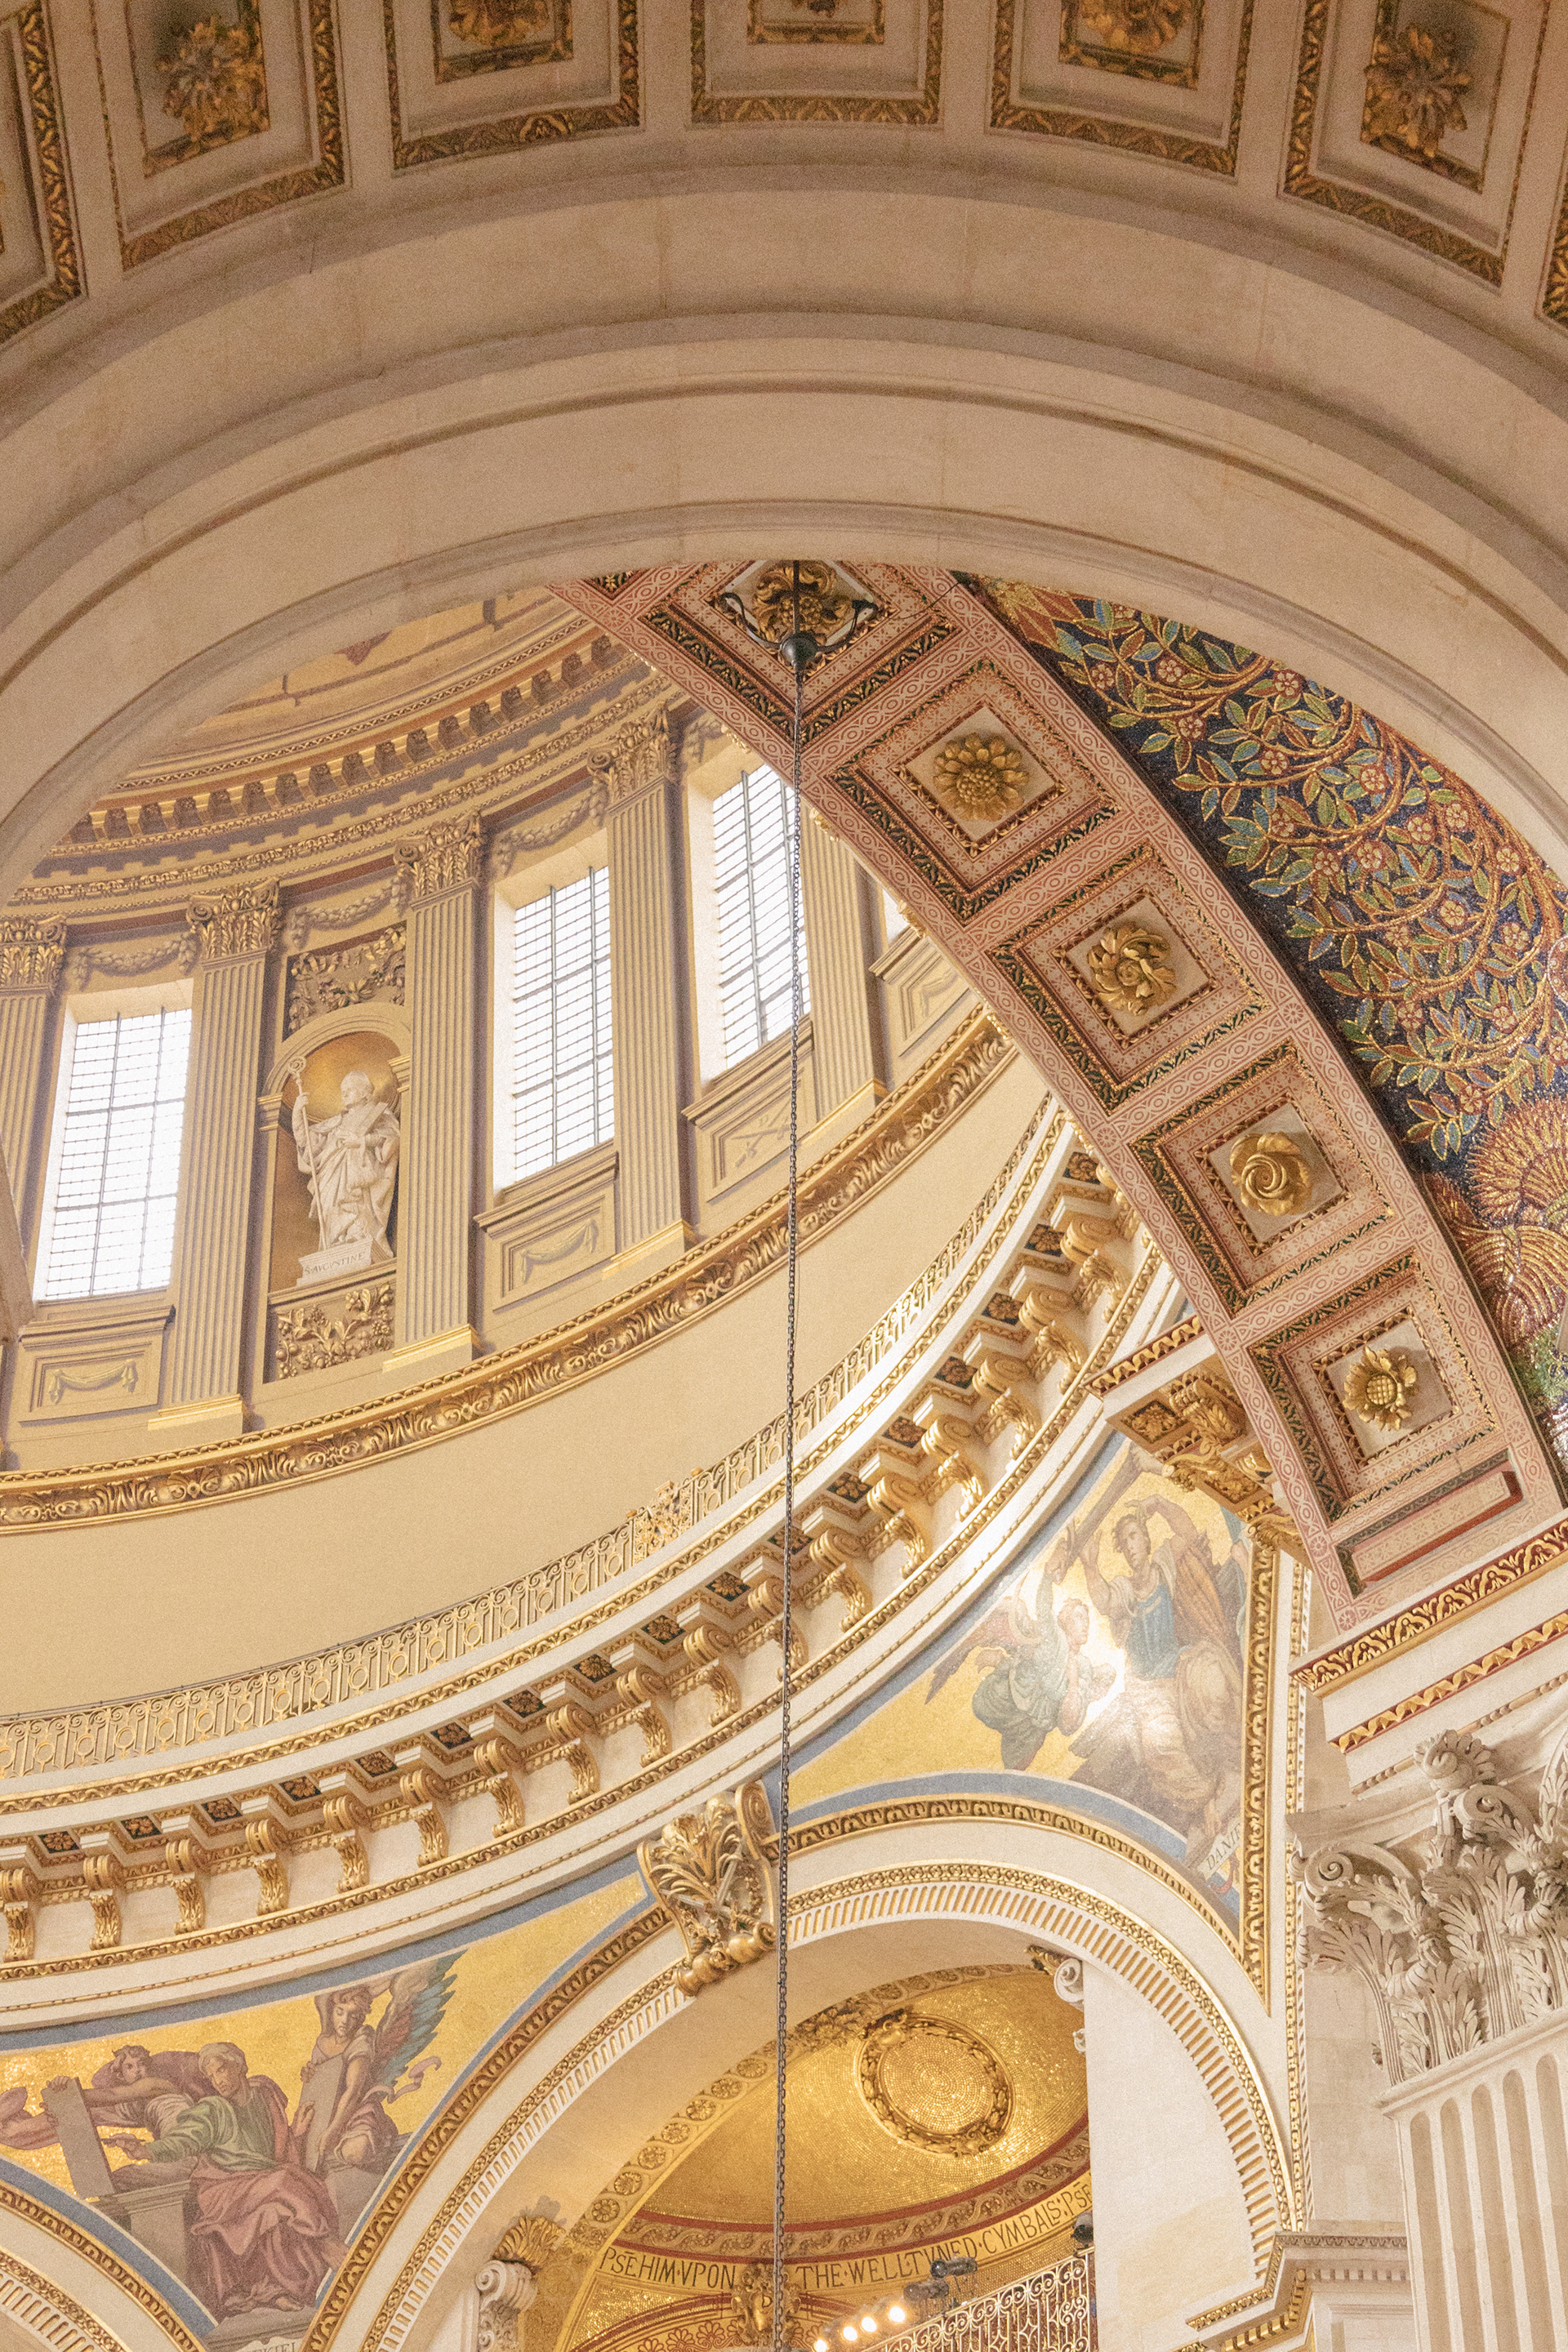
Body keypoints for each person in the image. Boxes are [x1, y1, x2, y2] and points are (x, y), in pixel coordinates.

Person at [104, 2041, 347, 2316]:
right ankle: (325, 2241)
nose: (218, 2080)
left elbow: (277, 2154)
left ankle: (272, 2291)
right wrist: (145, 2149)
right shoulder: (214, 2109)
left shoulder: (264, 2098)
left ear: (240, 2066)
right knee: (282, 2183)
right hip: (222, 2187)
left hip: (259, 2181)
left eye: (222, 2070)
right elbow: (186, 2139)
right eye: (212, 2076)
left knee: (278, 2203)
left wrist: (298, 2133)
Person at [291, 1984, 401, 2176]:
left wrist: (334, 2129)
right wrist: (310, 2073)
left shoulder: (361, 2042)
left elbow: (353, 2091)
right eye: (340, 2012)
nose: (344, 2021)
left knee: (357, 2150)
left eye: (353, 2015)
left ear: (361, 2018)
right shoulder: (324, 2039)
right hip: (321, 2116)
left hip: (352, 2115)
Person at [291, 1067, 399, 1258]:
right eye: (343, 1090)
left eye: (350, 1088)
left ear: (365, 1091)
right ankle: (335, 1241)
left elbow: (391, 1138)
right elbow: (308, 1144)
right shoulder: (335, 1123)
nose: (344, 1093)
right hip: (331, 1174)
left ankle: (358, 1234)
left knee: (356, 1204)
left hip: (359, 1173)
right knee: (331, 1206)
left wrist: (362, 1142)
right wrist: (298, 1115)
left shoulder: (378, 1113)